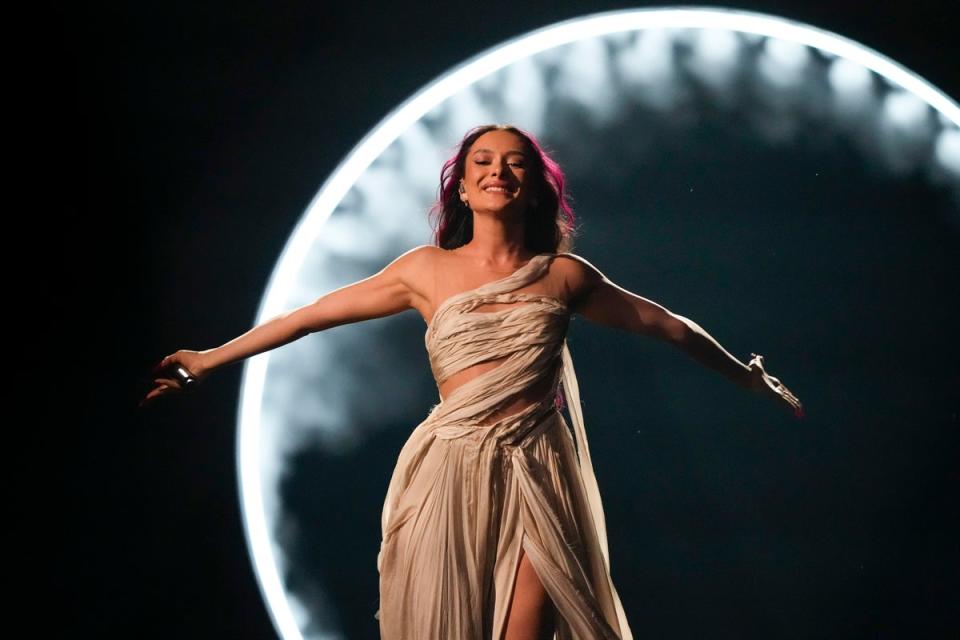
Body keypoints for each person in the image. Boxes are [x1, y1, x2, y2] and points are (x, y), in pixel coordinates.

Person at [142, 124, 803, 639]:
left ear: (534, 187)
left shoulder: (563, 276)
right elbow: (307, 317)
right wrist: (208, 358)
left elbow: (670, 327)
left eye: (514, 162)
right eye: (482, 162)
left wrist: (745, 378)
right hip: (451, 466)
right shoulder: (424, 269)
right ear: (462, 186)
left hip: (539, 469)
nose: (497, 171)